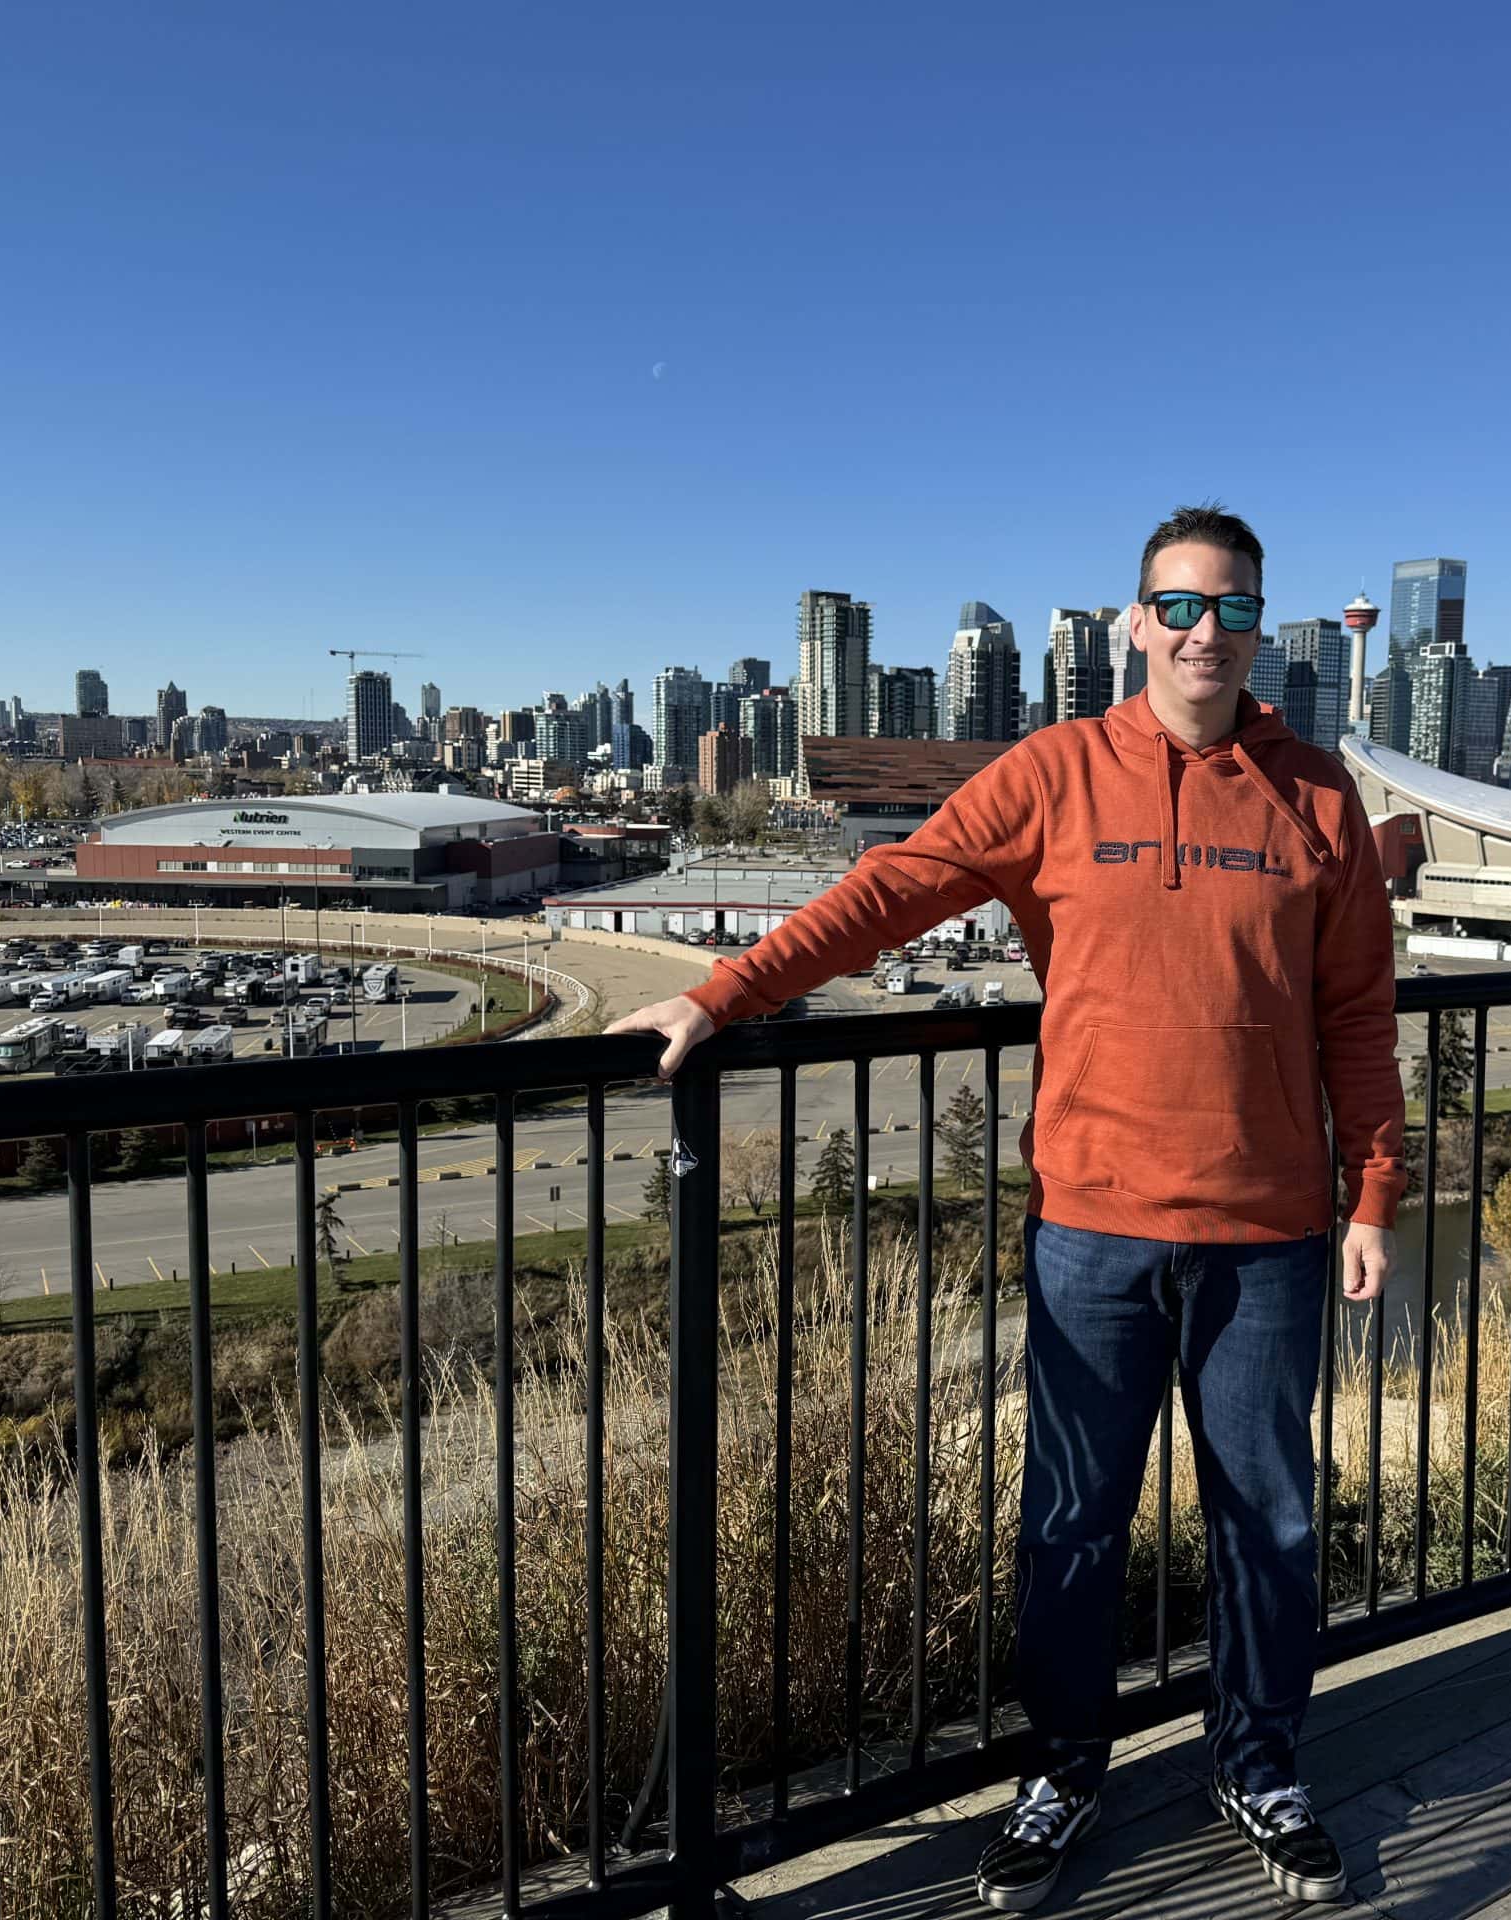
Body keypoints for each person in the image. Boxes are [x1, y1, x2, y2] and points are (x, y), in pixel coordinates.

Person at [609, 503, 1404, 1910]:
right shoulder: (1053, 773)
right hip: (1094, 1224)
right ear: (1132, 624)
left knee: (1271, 1520)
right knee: (1073, 1521)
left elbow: (1355, 1017)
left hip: (1269, 1233)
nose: (1204, 631)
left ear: (1259, 628)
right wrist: (726, 990)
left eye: (1230, 608)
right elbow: (889, 891)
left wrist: (1373, 1196)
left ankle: (1260, 1763)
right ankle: (1063, 1771)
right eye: (1178, 605)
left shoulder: (1319, 795)